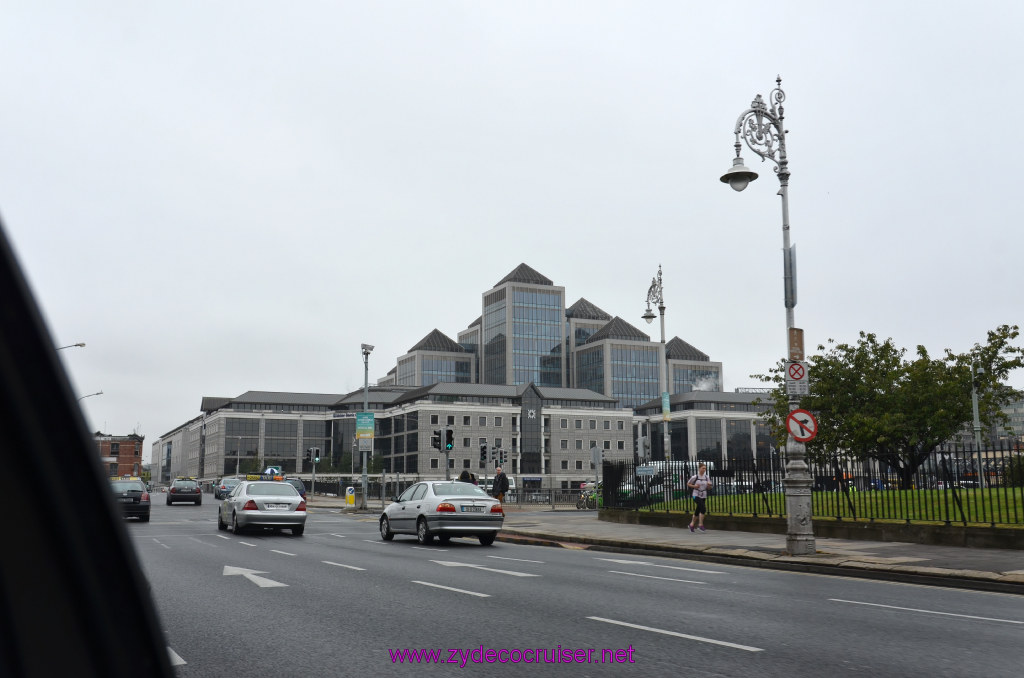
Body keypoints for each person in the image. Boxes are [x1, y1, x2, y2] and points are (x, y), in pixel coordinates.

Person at [687, 463, 713, 532]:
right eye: (703, 468)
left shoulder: (707, 477)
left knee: (698, 510)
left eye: (705, 468)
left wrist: (709, 485)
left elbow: (709, 487)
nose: (704, 470)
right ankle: (700, 525)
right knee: (703, 508)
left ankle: (691, 525)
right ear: (699, 468)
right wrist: (694, 486)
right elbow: (688, 484)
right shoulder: (695, 477)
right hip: (696, 494)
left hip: (703, 494)